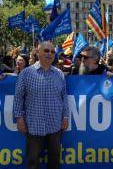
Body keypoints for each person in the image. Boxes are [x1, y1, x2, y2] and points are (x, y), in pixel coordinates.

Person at [13, 41, 69, 169]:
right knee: (33, 160)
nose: (50, 54)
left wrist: (65, 117)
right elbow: (18, 98)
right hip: (34, 125)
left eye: (53, 51)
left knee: (54, 160)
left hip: (54, 125)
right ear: (38, 52)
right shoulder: (26, 73)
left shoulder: (59, 74)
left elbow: (64, 97)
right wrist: (19, 118)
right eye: (46, 50)